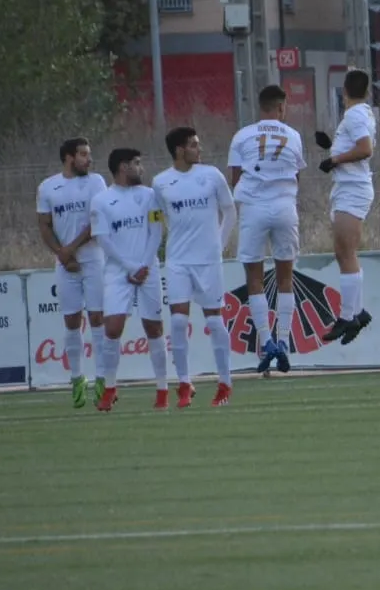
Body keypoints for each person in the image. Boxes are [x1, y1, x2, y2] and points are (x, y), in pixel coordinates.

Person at [154, 127, 238, 408]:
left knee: (214, 321)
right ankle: (184, 383)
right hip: (178, 261)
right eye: (193, 145)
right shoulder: (161, 183)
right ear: (179, 150)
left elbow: (230, 211)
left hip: (208, 261)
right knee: (178, 321)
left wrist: (219, 245)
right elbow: (159, 219)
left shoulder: (211, 175)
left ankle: (225, 383)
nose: (198, 149)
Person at [228, 85, 307, 375]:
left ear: (260, 107)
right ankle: (284, 341)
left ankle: (267, 341)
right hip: (285, 207)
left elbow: (235, 178)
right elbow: (297, 175)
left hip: (254, 208)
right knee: (286, 277)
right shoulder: (294, 136)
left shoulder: (242, 135)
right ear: (281, 107)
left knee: (254, 279)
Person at [89, 149, 166, 412]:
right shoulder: (101, 200)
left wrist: (143, 264)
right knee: (112, 327)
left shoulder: (149, 196)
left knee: (154, 328)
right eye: (136, 164)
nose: (141, 168)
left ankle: (162, 389)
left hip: (148, 268)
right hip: (118, 271)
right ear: (123, 167)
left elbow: (156, 232)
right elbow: (104, 240)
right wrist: (130, 266)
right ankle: (109, 388)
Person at [36, 138, 109, 409]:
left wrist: (71, 249)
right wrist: (61, 254)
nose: (89, 159)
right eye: (83, 155)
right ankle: (77, 377)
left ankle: (102, 378)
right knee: (71, 320)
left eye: (89, 154)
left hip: (92, 259)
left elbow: (97, 221)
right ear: (69, 157)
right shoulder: (48, 187)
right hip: (65, 264)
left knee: (97, 317)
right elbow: (44, 224)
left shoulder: (96, 182)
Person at [318, 69, 377, 346]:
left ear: (344, 91)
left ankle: (347, 316)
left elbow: (365, 149)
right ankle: (358, 311)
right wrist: (333, 152)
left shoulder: (354, 115)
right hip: (349, 187)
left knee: (345, 252)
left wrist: (335, 160)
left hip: (353, 189)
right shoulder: (362, 113)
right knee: (344, 253)